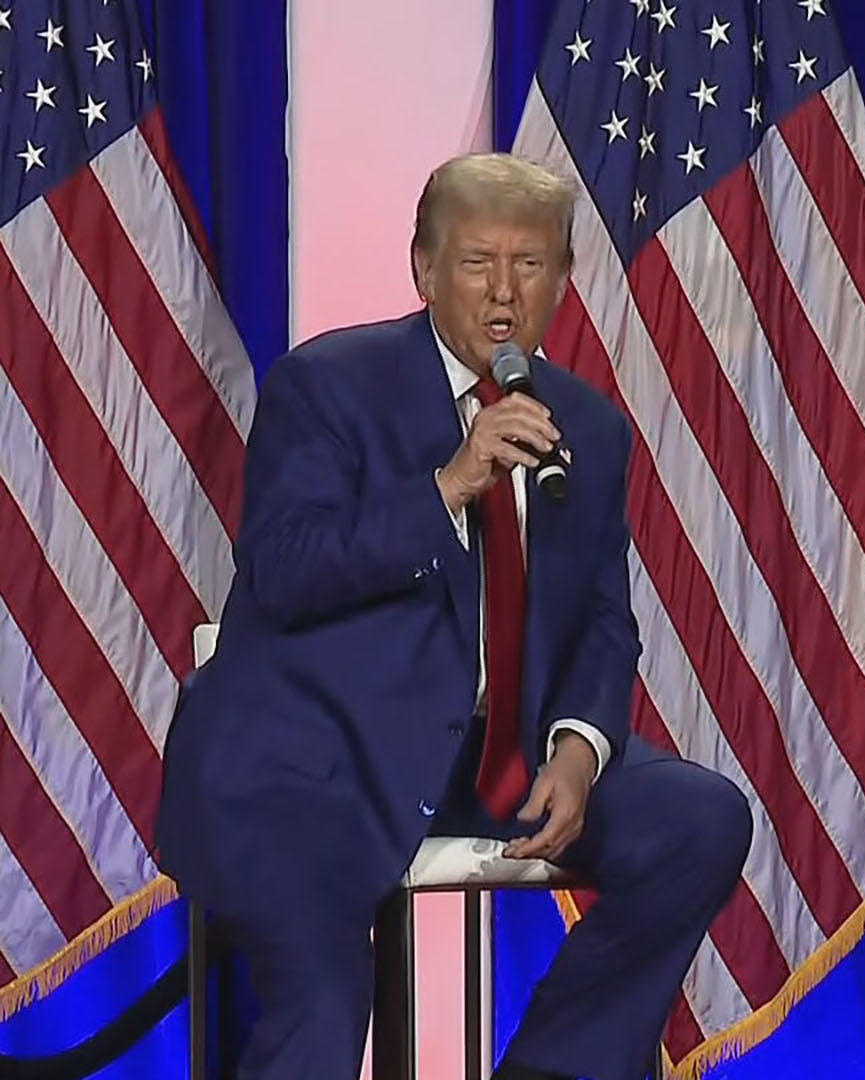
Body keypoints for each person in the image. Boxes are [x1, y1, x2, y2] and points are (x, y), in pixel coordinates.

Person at [157, 153, 751, 1080]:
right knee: (327, 999)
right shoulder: (326, 385)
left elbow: (604, 621)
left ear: (564, 278)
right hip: (309, 762)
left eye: (531, 264)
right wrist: (451, 484)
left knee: (701, 820)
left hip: (484, 759)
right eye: (478, 263)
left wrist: (579, 748)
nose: (504, 292)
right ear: (425, 271)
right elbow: (283, 572)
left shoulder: (587, 428)